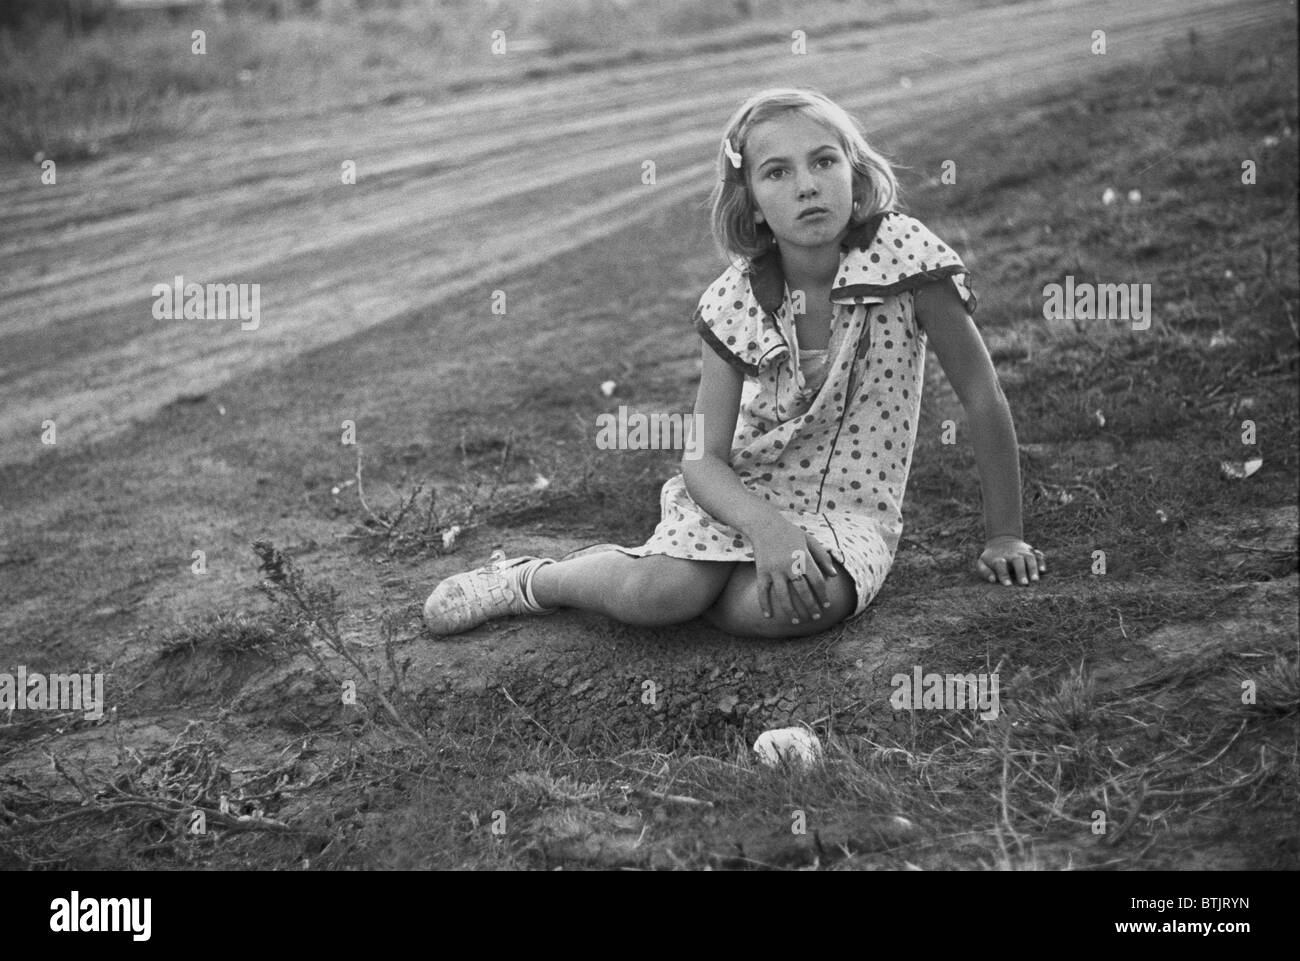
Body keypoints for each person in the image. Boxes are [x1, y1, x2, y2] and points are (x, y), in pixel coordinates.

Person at [424, 87, 1046, 639]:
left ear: (854, 177)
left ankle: (707, 590)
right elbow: (702, 454)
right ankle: (538, 579)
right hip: (744, 493)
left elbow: (982, 397)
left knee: (796, 605)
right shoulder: (734, 300)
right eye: (777, 173)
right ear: (750, 203)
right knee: (659, 595)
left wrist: (1005, 534)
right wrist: (764, 528)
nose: (807, 184)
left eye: (824, 161)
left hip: (849, 513)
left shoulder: (907, 259)